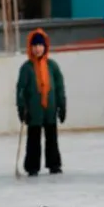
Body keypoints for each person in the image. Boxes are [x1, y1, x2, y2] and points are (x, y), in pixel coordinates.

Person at [15, 29, 66, 176]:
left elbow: (60, 87)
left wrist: (62, 105)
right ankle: (32, 166)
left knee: (52, 138)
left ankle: (54, 164)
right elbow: (21, 89)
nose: (38, 49)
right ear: (30, 47)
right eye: (35, 45)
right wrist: (21, 107)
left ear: (45, 47)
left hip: (50, 108)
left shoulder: (52, 66)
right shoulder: (26, 68)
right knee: (33, 139)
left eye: (40, 45)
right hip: (34, 110)